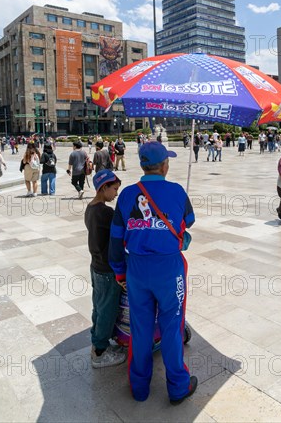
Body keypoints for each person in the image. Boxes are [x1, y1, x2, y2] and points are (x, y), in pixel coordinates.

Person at [109, 141, 197, 404]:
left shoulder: (126, 195)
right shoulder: (177, 191)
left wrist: (119, 271)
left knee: (141, 327)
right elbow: (189, 221)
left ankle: (139, 387)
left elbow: (115, 238)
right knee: (172, 326)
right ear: (165, 165)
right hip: (169, 269)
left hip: (136, 269)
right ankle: (178, 387)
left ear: (143, 165)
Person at [84, 169, 126, 369]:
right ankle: (99, 353)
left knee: (99, 307)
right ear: (104, 187)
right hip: (107, 269)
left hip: (96, 266)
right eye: (114, 189)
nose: (116, 193)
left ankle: (97, 341)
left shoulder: (90, 208)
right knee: (107, 310)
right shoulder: (106, 212)